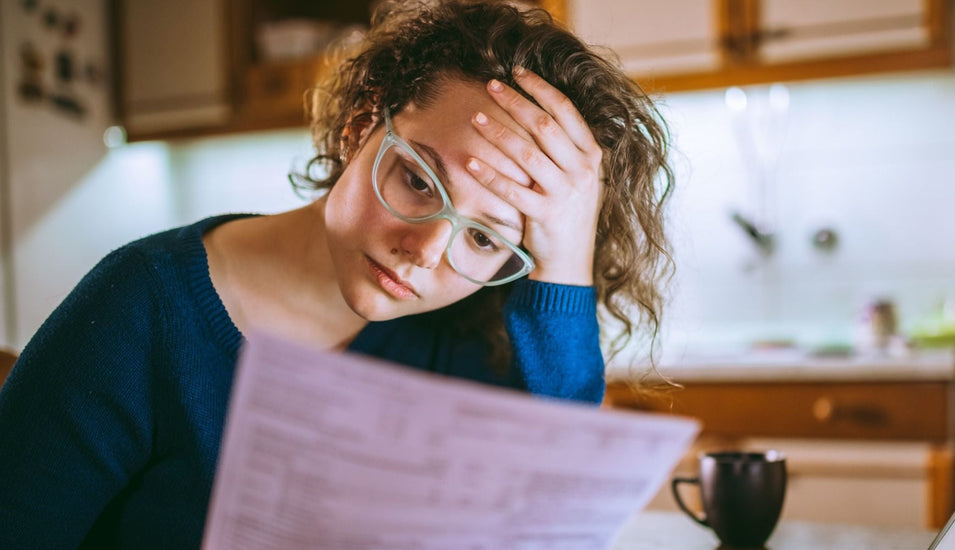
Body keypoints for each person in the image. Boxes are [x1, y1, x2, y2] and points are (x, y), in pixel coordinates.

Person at [0, 0, 675, 547]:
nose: (425, 253)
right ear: (360, 125)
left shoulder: (464, 338)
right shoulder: (139, 308)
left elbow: (556, 515)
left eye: (483, 237)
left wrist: (562, 265)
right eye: (416, 180)